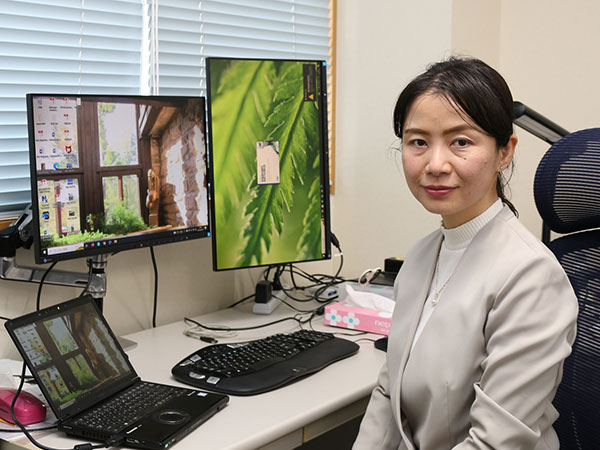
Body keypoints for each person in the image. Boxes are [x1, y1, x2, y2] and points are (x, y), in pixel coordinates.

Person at [352, 57, 578, 450]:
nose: (435, 164)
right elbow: (389, 393)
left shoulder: (531, 276)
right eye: (418, 142)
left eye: (461, 142)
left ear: (504, 152)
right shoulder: (422, 256)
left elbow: (495, 443)